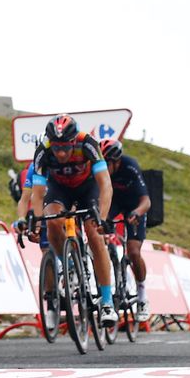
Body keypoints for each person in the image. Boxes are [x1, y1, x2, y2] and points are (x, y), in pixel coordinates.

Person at [29, 115, 117, 327]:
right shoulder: (43, 150)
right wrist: (37, 220)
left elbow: (106, 185)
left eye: (65, 148)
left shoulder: (87, 143)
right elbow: (38, 193)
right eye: (56, 147)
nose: (60, 153)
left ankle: (107, 302)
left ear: (73, 142)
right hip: (60, 189)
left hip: (88, 188)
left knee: (94, 234)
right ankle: (69, 266)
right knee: (51, 223)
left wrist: (102, 219)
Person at [101, 138, 151, 322]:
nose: (104, 168)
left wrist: (137, 213)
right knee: (97, 227)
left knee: (133, 250)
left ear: (117, 161)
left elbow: (146, 201)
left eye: (107, 163)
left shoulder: (130, 167)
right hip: (113, 203)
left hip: (134, 206)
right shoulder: (100, 170)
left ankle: (142, 295)